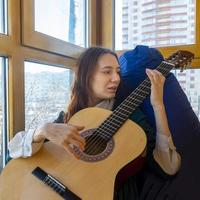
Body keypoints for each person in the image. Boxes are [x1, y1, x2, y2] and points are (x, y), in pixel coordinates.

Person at [8, 47, 181, 200]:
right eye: (107, 71)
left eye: (118, 72)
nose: (116, 78)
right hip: (49, 182)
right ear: (86, 76)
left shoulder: (132, 119)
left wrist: (158, 105)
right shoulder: (70, 117)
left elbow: (168, 166)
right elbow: (14, 152)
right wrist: (43, 130)